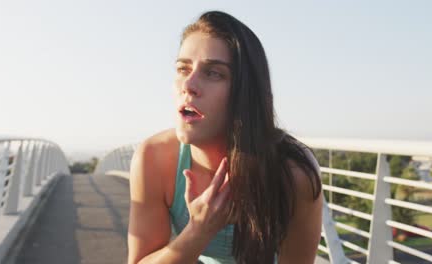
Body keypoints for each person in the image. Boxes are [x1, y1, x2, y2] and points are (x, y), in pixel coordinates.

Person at [127, 11, 322, 264]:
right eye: (183, 69)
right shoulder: (153, 158)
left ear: (245, 93)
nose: (189, 84)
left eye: (213, 73)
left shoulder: (294, 175)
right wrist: (198, 230)